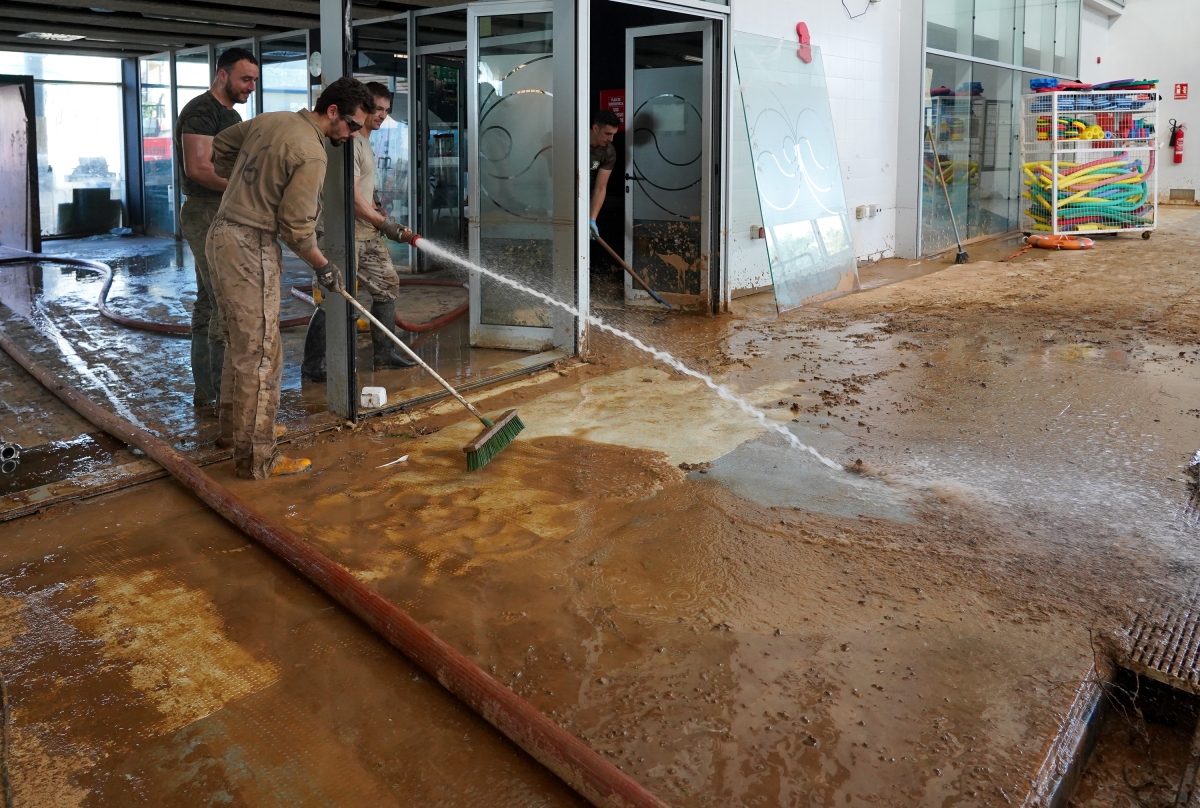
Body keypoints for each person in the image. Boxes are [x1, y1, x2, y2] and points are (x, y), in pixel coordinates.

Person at [208, 76, 375, 479]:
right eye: (352, 125)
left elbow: (221, 147)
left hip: (222, 233)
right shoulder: (313, 154)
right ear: (332, 111)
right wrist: (323, 266)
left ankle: (237, 433)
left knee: (241, 344)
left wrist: (250, 187)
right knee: (262, 354)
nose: (353, 134)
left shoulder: (273, 119)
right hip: (250, 245)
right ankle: (258, 457)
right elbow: (296, 229)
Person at [302, 81, 415, 382]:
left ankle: (385, 355)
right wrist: (385, 224)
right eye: (377, 109)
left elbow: (363, 189)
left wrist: (377, 208)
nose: (381, 116)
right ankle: (314, 366)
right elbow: (350, 197)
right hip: (341, 233)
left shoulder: (364, 142)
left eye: (386, 110)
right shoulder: (348, 143)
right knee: (334, 296)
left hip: (366, 233)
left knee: (387, 285)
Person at [175, 47, 259, 410]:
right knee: (223, 300)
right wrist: (248, 190)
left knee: (210, 299)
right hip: (205, 210)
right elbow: (198, 170)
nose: (251, 86)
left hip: (223, 208)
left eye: (254, 80)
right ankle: (223, 396)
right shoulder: (201, 111)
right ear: (222, 75)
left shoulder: (231, 115)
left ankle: (209, 392)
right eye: (245, 79)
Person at [588, 109, 621, 241]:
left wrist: (592, 219)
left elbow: (600, 188)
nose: (611, 139)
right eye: (607, 134)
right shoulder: (575, 140)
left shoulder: (608, 152)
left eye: (613, 134)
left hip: (585, 198)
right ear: (595, 128)